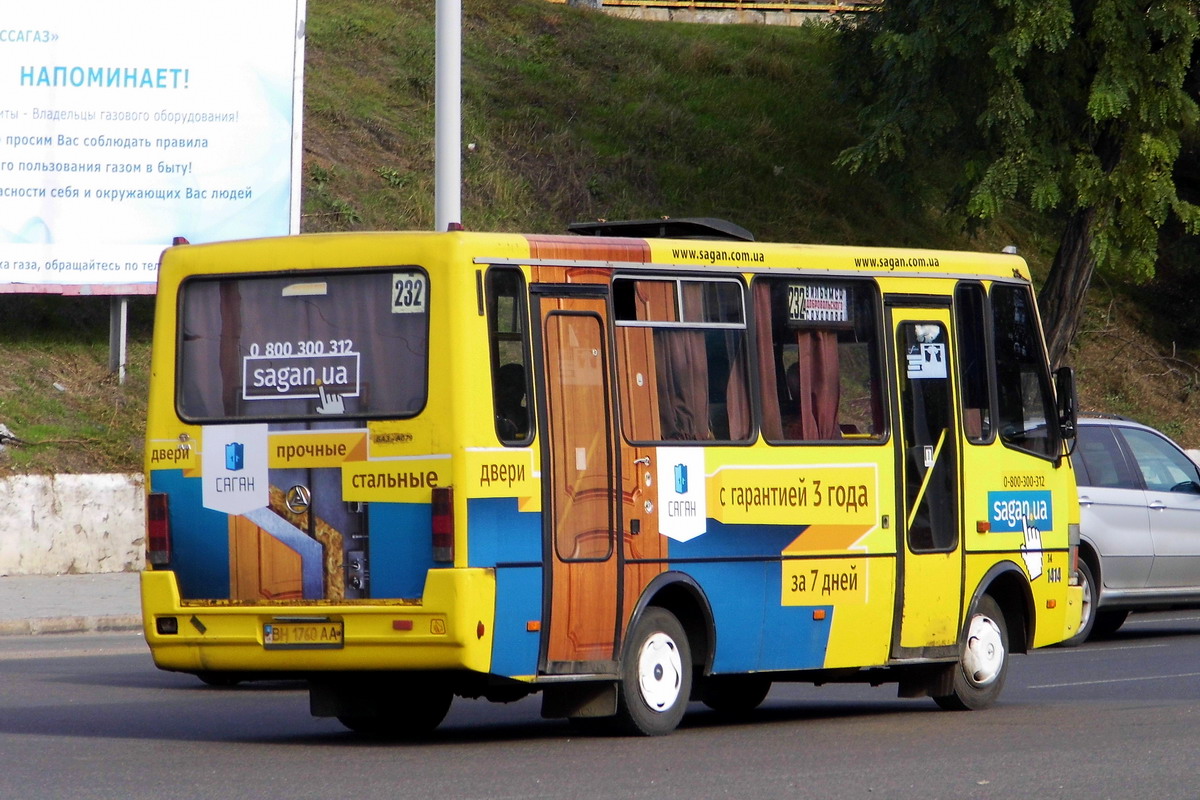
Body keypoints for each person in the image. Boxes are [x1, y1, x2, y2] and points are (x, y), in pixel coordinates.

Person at [494, 362, 528, 440]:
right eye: (507, 385)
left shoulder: (529, 417)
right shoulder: (492, 419)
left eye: (518, 387)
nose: (512, 391)